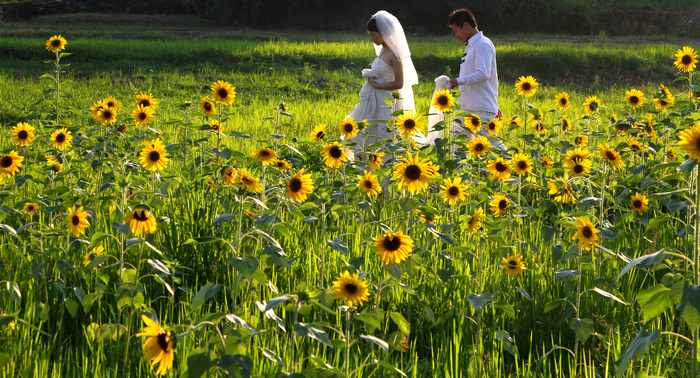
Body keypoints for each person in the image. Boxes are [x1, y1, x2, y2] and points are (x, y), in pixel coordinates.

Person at [426, 8, 505, 151]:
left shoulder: (483, 44)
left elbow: (484, 74)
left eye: (456, 31)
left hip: (480, 110)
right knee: (457, 148)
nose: (455, 36)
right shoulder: (471, 46)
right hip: (468, 109)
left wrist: (457, 81)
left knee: (494, 149)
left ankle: (515, 171)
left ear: (466, 25)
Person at [348, 10, 418, 151]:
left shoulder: (395, 55)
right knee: (364, 132)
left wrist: (378, 85)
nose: (372, 38)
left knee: (384, 135)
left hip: (386, 102)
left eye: (373, 35)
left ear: (383, 33)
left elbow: (400, 83)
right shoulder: (382, 50)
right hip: (373, 99)